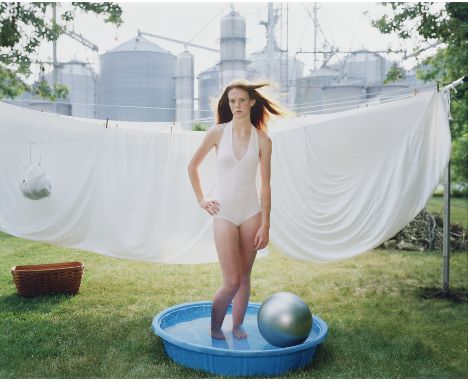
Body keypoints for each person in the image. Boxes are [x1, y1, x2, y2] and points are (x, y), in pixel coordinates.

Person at [188, 79, 290, 340]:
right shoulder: (217, 133)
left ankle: (237, 325)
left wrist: (265, 224)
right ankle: (214, 327)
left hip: (251, 215)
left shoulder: (263, 141)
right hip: (223, 214)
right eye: (232, 101)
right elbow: (192, 167)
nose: (237, 105)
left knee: (244, 277)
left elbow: (265, 186)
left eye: (242, 100)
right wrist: (201, 199)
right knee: (231, 280)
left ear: (252, 102)